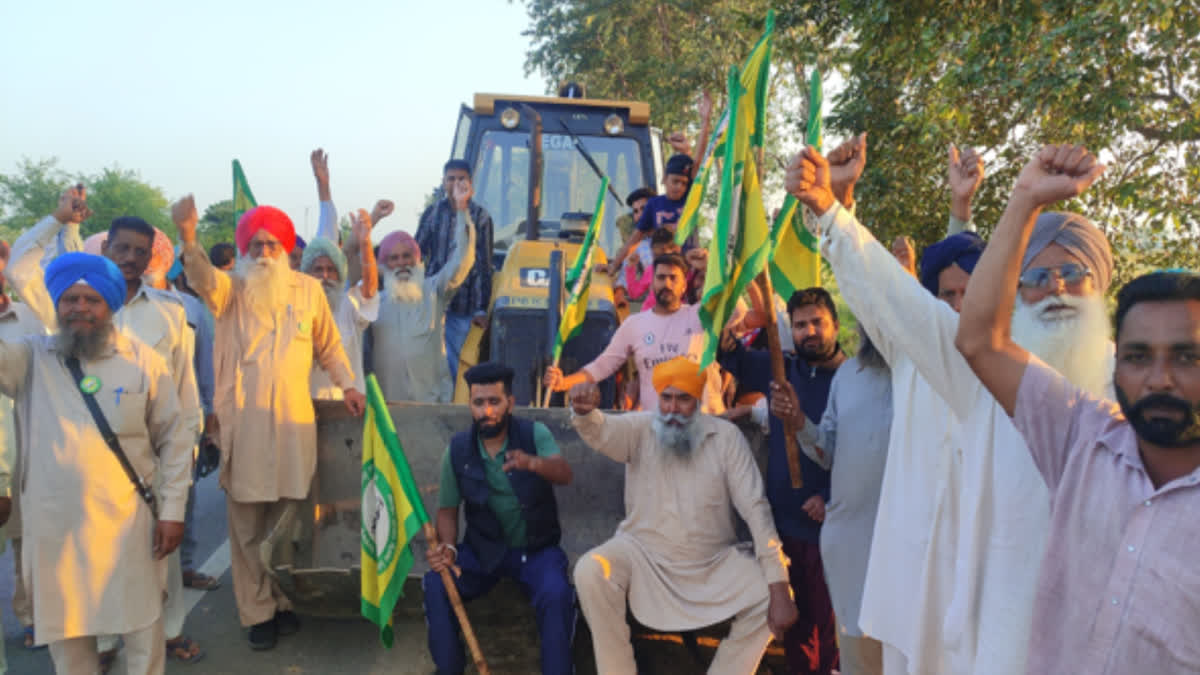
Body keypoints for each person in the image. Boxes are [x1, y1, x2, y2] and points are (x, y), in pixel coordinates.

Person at [787, 138, 1116, 675]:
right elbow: (893, 296)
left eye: (1075, 275)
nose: (1057, 288)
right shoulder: (978, 367)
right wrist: (831, 208)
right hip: (951, 600)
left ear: (1100, 285)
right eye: (1034, 277)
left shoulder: (1130, 385)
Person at [954, 143, 1200, 674]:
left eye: (1186, 357)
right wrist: (1024, 199)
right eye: (1138, 357)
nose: (1159, 378)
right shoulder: (1083, 438)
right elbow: (979, 340)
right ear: (1119, 364)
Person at [9, 197, 207, 666]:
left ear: (109, 304)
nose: (80, 308)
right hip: (57, 529)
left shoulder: (143, 362)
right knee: (70, 637)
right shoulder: (32, 357)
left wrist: (174, 511)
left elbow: (176, 439)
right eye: (70, 300)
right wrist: (55, 219)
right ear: (56, 305)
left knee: (142, 630)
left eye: (91, 299)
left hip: (128, 523)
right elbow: (20, 268)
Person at [174, 195, 364, 650]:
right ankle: (257, 611)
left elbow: (330, 347)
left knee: (288, 521)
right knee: (246, 527)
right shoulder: (230, 289)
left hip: (294, 422)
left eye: (271, 244)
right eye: (254, 244)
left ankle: (281, 599)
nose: (262, 252)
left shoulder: (307, 291)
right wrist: (188, 238)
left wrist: (349, 385)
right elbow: (201, 279)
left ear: (285, 250)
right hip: (244, 424)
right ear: (244, 250)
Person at [568, 357, 797, 674]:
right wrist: (584, 411)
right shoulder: (640, 429)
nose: (673, 408)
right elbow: (601, 431)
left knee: (769, 592)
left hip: (710, 565)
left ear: (698, 399)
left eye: (683, 398)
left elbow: (755, 510)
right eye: (666, 397)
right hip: (642, 556)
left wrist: (778, 584)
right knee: (590, 571)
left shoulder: (726, 438)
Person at [718, 288, 845, 675]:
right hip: (783, 528)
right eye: (801, 324)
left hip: (832, 528)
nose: (809, 332)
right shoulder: (781, 368)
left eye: (817, 323)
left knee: (833, 633)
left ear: (835, 326)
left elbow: (863, 453)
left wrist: (830, 497)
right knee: (796, 628)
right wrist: (733, 328)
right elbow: (732, 356)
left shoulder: (853, 380)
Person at [422, 362, 574, 675]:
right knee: (436, 581)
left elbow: (563, 472)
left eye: (494, 402)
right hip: (483, 552)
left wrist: (533, 463)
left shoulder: (535, 434)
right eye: (479, 403)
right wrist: (448, 549)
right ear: (470, 406)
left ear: (510, 403)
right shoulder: (457, 451)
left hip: (536, 551)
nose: (487, 411)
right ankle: (448, 668)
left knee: (557, 593)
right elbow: (447, 510)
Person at [794, 323, 892, 675]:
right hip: (850, 543)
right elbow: (827, 450)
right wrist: (799, 421)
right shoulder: (849, 373)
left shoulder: (924, 370)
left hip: (907, 548)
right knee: (858, 654)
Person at [544, 253, 725, 413]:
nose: (667, 284)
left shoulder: (700, 315)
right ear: (652, 282)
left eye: (673, 278)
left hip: (701, 424)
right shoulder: (635, 324)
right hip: (658, 428)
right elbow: (602, 365)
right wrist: (563, 383)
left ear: (684, 286)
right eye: (661, 277)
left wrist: (709, 267)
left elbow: (736, 309)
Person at [371, 179, 476, 403]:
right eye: (394, 258)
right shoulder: (372, 304)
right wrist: (371, 221)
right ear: (384, 265)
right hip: (387, 408)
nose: (401, 263)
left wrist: (461, 210)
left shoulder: (434, 292)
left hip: (431, 405)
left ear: (417, 259)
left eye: (407, 256)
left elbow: (462, 261)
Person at [0, 241, 46, 664]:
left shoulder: (29, 318)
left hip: (25, 454)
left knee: (25, 544)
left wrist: (60, 222)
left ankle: (33, 617)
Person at [414, 159, 495, 381]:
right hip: (434, 302)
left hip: (464, 306)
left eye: (461, 179)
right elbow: (416, 253)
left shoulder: (481, 217)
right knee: (430, 362)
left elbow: (484, 265)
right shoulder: (432, 213)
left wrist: (480, 309)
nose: (456, 184)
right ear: (443, 182)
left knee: (456, 366)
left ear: (470, 184)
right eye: (451, 179)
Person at [301, 209, 380, 400]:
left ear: (340, 275)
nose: (324, 276)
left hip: (348, 402)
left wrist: (365, 244)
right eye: (318, 269)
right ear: (306, 274)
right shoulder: (295, 308)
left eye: (331, 270)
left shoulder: (348, 304)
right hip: (306, 404)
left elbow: (369, 290)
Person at [608, 153, 696, 275]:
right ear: (664, 179)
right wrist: (613, 265)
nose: (679, 187)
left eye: (684, 183)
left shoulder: (689, 200)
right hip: (664, 269)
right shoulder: (654, 204)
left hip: (690, 266)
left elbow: (699, 164)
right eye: (675, 181)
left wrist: (702, 135)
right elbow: (634, 238)